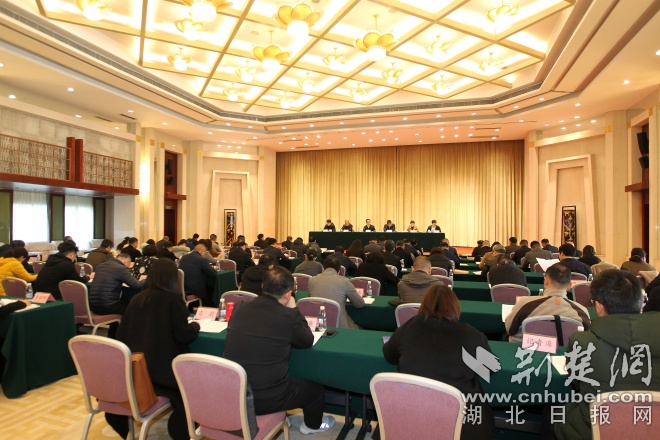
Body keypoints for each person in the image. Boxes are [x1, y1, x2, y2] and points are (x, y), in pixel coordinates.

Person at [224, 267, 336, 435]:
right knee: (314, 389)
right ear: (288, 294)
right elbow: (307, 340)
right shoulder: (288, 316)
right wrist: (293, 308)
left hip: (235, 392)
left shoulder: (240, 307)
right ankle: (312, 426)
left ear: (263, 286)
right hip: (267, 398)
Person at [555, 269, 660, 440]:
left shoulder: (583, 343)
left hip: (593, 430)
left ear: (598, 306)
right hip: (653, 430)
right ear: (641, 302)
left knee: (554, 412)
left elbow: (576, 382)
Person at [383, 284, 495, 440]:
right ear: (455, 307)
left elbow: (389, 355)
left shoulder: (410, 326)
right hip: (460, 423)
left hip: (409, 413)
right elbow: (489, 369)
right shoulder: (470, 334)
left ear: (424, 305)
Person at [108, 259, 200, 440]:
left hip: (135, 370)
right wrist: (195, 325)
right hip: (163, 373)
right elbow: (184, 335)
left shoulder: (137, 299)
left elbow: (122, 334)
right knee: (196, 381)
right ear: (173, 278)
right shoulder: (172, 300)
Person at [504, 264, 590, 343]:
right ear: (569, 285)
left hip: (524, 348)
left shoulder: (525, 303)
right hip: (565, 350)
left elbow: (510, 329)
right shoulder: (582, 311)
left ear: (545, 281)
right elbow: (584, 337)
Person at [308, 257, 365, 329]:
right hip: (340, 326)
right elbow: (359, 304)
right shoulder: (344, 281)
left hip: (317, 324)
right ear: (339, 271)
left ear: (323, 268)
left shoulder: (311, 280)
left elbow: (311, 299)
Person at [89, 253, 145, 317]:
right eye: (128, 265)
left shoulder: (100, 266)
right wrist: (145, 280)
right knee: (134, 306)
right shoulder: (121, 268)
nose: (127, 267)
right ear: (125, 262)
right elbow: (136, 285)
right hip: (108, 306)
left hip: (93, 306)